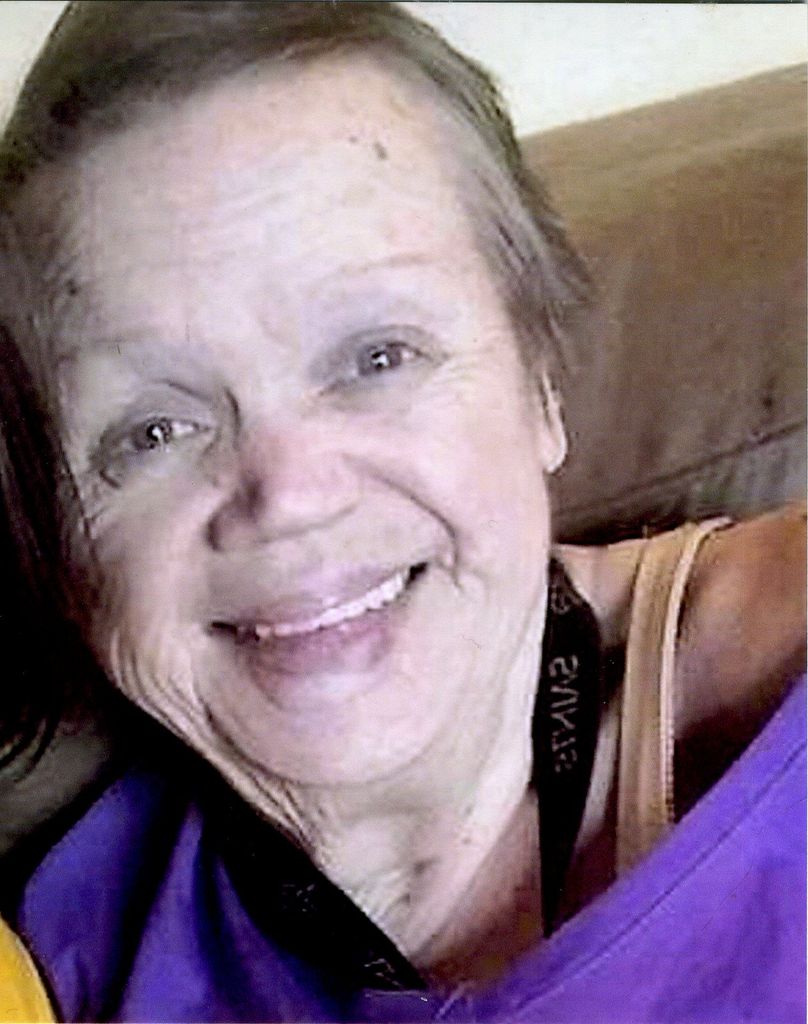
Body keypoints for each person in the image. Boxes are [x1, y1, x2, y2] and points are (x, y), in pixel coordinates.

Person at [0, 3, 803, 1021]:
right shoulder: (72, 952)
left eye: (376, 357)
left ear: (541, 384)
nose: (290, 495)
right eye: (153, 430)